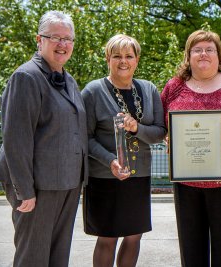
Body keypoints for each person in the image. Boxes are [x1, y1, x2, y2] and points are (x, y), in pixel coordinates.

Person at [161, 29, 221, 266]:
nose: (203, 54)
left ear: (218, 55)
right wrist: (169, 139)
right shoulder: (174, 87)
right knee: (191, 248)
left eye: (209, 49)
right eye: (197, 49)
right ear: (188, 55)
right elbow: (161, 123)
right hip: (186, 181)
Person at [0, 11, 87, 267]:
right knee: (33, 258)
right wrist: (24, 191)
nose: (63, 44)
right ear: (39, 39)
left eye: (68, 39)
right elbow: (16, 138)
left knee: (58, 257)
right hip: (38, 187)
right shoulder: (26, 77)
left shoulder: (68, 79)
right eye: (55, 37)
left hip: (68, 182)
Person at [81, 34, 166, 267]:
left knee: (134, 235)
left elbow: (159, 131)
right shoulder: (92, 91)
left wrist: (137, 127)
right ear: (108, 58)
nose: (123, 61)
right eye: (117, 56)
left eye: (129, 56)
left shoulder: (149, 89)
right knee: (107, 237)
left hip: (138, 175)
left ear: (137, 59)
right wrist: (110, 161)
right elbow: (84, 138)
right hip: (105, 176)